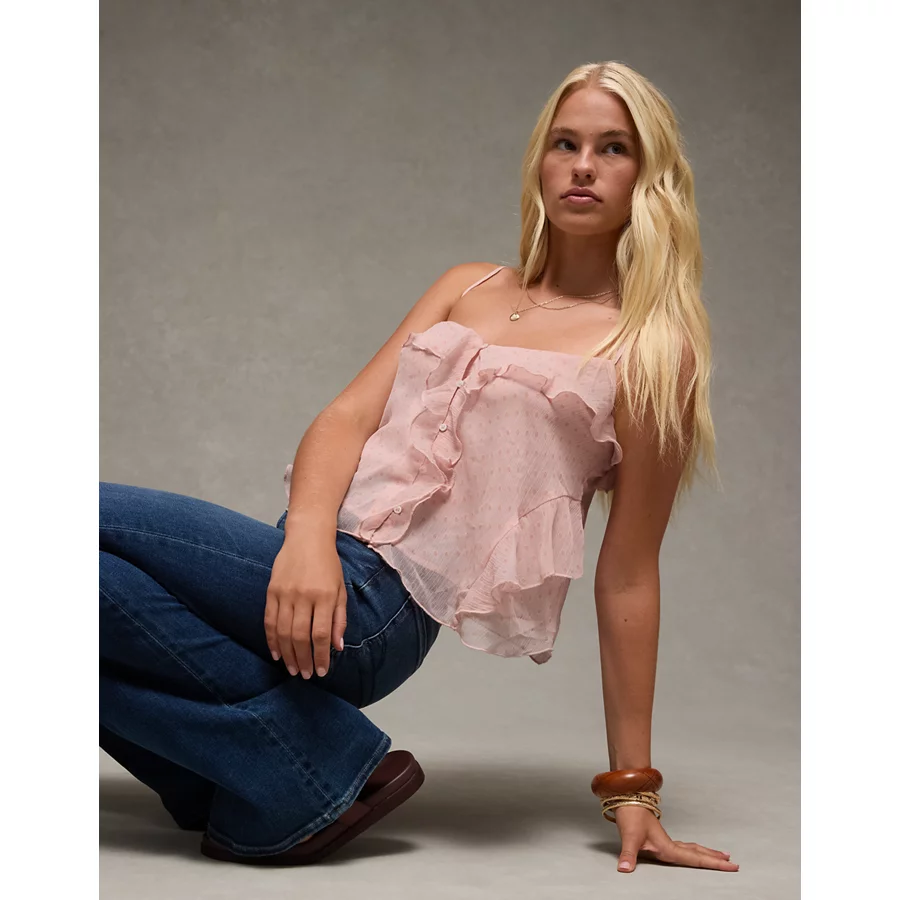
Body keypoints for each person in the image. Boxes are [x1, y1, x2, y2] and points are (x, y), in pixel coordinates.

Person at [100, 60, 736, 873]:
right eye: (565, 143)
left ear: (650, 176)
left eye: (613, 148)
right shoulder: (469, 285)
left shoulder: (649, 352)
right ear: (539, 161)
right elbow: (345, 420)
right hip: (310, 564)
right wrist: (306, 541)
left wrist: (633, 791)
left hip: (381, 610)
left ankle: (300, 762)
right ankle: (268, 778)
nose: (583, 166)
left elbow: (629, 576)